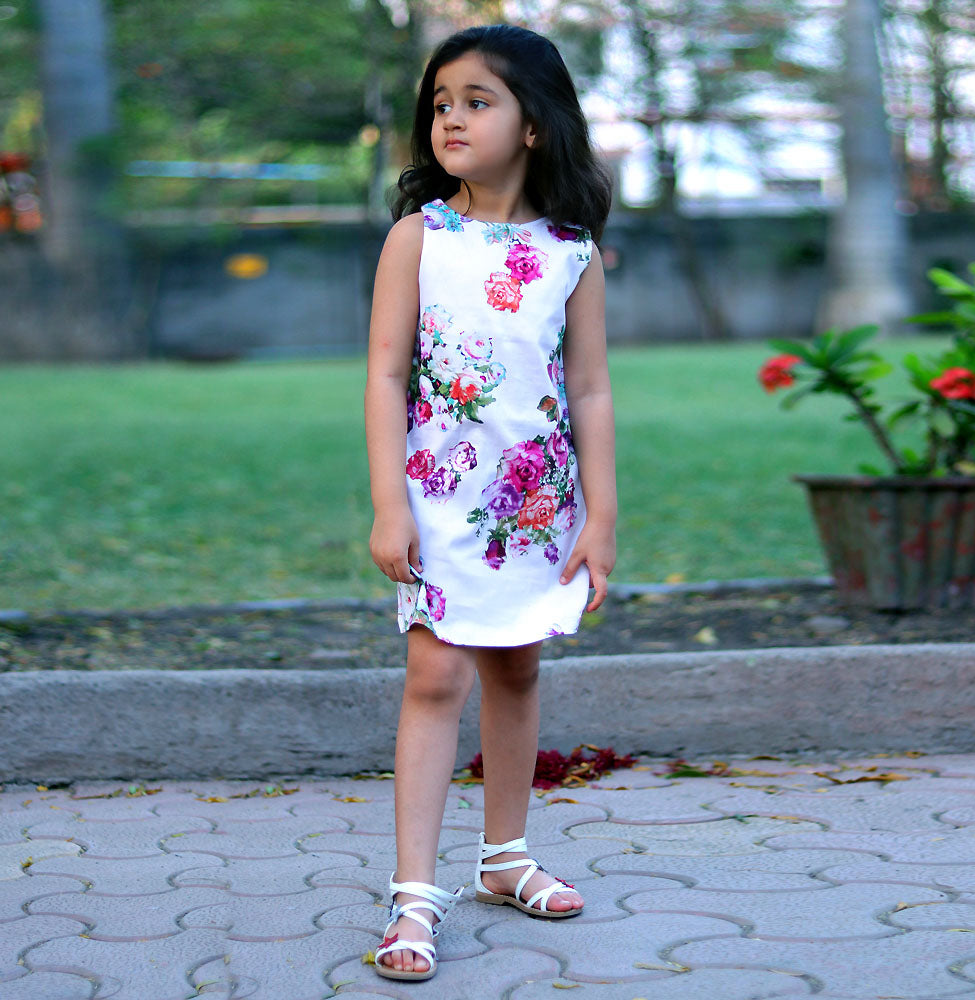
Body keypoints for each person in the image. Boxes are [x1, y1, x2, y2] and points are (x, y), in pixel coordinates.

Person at [363, 23, 617, 982]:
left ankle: (506, 857)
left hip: (535, 506)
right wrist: (390, 505)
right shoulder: (420, 239)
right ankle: (413, 897)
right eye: (442, 104)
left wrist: (601, 518)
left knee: (516, 670)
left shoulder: (571, 252)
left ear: (535, 126)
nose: (453, 120)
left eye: (478, 102)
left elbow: (589, 389)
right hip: (438, 499)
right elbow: (385, 377)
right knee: (436, 678)